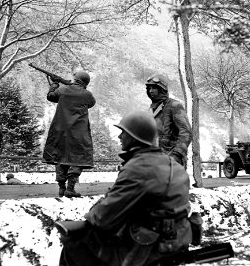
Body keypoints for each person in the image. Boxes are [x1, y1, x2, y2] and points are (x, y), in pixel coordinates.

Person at [59, 111, 192, 266]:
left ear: (135, 137)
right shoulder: (173, 165)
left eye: (123, 132)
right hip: (175, 244)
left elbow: (103, 218)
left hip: (147, 249)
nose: (120, 137)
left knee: (74, 245)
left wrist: (90, 217)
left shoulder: (139, 167)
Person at [43, 71, 96, 198]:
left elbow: (50, 96)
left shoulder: (63, 90)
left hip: (60, 130)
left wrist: (55, 84)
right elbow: (91, 103)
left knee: (60, 157)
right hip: (79, 133)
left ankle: (61, 188)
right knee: (79, 158)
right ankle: (70, 188)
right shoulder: (87, 95)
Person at [145, 74, 192, 167]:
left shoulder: (174, 105)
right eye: (149, 88)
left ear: (162, 89)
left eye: (154, 88)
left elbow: (186, 132)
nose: (151, 91)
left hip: (171, 160)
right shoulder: (150, 110)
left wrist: (177, 154)